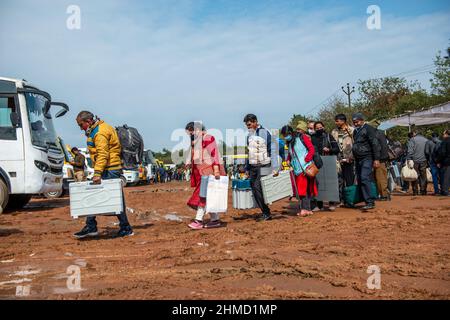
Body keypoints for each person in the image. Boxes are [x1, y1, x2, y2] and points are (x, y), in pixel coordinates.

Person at [73, 111, 134, 239]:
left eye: (81, 124)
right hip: (108, 168)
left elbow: (102, 154)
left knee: (114, 199)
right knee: (98, 196)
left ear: (88, 121)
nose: (80, 128)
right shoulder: (99, 129)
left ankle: (125, 228)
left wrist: (97, 172)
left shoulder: (100, 132)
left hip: (109, 169)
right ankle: (91, 226)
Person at [185, 121, 226, 229]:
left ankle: (198, 220)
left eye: (192, 132)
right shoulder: (196, 141)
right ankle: (215, 220)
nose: (191, 135)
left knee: (202, 196)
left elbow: (214, 154)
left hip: (209, 172)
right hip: (201, 173)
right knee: (208, 196)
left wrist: (216, 170)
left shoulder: (208, 138)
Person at [244, 114, 279, 222]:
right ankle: (265, 211)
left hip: (264, 165)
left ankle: (266, 212)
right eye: (246, 125)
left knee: (259, 188)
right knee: (254, 189)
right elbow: (249, 153)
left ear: (255, 122)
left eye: (249, 124)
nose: (248, 127)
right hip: (253, 166)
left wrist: (275, 166)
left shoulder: (265, 133)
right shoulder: (249, 136)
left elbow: (272, 150)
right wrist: (247, 169)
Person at [281, 123, 318, 216]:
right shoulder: (290, 142)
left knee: (303, 189)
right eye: (284, 135)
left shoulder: (302, 137)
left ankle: (305, 209)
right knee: (304, 189)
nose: (286, 137)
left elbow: (311, 149)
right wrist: (288, 160)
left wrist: (307, 159)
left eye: (286, 135)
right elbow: (291, 154)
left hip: (305, 167)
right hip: (297, 169)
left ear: (290, 132)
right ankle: (308, 209)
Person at [352, 113, 381, 211]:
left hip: (367, 157)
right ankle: (365, 200)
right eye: (354, 122)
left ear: (362, 120)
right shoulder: (356, 131)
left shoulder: (369, 129)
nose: (355, 124)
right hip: (358, 159)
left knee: (365, 178)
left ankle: (370, 201)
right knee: (360, 179)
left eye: (357, 122)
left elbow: (375, 144)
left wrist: (376, 159)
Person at [311, 121, 339, 211]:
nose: (319, 129)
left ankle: (331, 203)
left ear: (323, 127)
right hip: (317, 163)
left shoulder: (328, 136)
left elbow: (336, 149)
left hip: (328, 162)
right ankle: (319, 205)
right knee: (318, 183)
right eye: (317, 128)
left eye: (320, 127)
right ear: (315, 129)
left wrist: (329, 150)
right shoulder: (312, 138)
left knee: (330, 183)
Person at [331, 114, 355, 203]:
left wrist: (351, 157)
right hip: (338, 159)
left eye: (337, 121)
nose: (336, 122)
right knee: (339, 180)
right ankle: (340, 199)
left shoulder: (352, 130)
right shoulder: (334, 131)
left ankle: (350, 199)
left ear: (343, 121)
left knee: (349, 180)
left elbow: (355, 144)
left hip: (349, 158)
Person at [406, 131, 429, 196]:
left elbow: (410, 151)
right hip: (424, 160)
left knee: (414, 176)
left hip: (414, 160)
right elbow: (427, 151)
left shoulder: (412, 139)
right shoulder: (426, 139)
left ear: (415, 134)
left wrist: (408, 159)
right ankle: (423, 191)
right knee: (423, 176)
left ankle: (415, 191)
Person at [374, 129, 390, 201]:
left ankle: (384, 195)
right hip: (383, 159)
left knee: (380, 178)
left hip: (379, 159)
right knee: (382, 177)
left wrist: (376, 158)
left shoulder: (376, 134)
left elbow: (377, 148)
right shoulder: (381, 133)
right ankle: (385, 194)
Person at [435, 129, 450, 196]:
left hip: (446, 161)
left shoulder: (445, 141)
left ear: (446, 134)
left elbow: (442, 153)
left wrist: (438, 161)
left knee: (445, 177)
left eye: (443, 134)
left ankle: (445, 191)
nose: (443, 135)